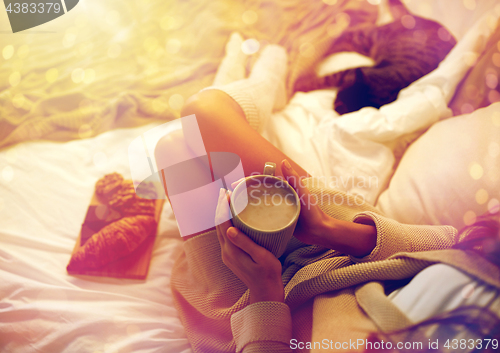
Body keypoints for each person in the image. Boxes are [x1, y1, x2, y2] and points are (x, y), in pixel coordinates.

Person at [156, 36, 500, 352]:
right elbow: (454, 243)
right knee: (201, 114)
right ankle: (271, 69)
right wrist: (329, 229)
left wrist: (264, 292)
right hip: (340, 246)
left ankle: (272, 66)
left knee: (176, 145)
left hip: (257, 311)